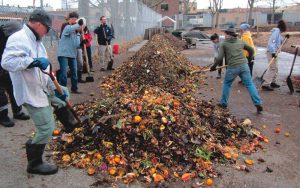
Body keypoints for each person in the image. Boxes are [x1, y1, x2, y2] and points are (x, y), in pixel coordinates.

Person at [1, 9, 69, 175]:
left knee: (63, 96)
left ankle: (71, 123)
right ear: (38, 24)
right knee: (46, 128)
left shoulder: (36, 40)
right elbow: (7, 62)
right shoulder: (18, 38)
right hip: (29, 91)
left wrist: (56, 86)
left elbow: (45, 67)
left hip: (41, 86)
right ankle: (34, 162)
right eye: (47, 28)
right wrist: (31, 62)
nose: (46, 33)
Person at [210, 28, 263, 114]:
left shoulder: (224, 44)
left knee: (227, 84)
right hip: (244, 66)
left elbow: (219, 58)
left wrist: (214, 66)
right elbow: (251, 49)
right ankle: (258, 103)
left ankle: (223, 103)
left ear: (228, 35)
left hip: (233, 67)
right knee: (249, 84)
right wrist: (249, 58)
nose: (224, 35)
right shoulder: (240, 41)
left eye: (225, 34)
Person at [0, 21, 30, 127]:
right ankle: (3, 116)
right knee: (1, 95)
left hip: (7, 69)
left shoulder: (11, 40)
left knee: (14, 90)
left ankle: (17, 112)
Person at [57, 11, 84, 93]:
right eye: (74, 19)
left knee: (74, 73)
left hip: (72, 54)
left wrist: (82, 42)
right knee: (64, 74)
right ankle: (63, 91)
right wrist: (79, 24)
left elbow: (76, 44)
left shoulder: (75, 32)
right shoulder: (66, 27)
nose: (75, 21)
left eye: (76, 19)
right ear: (70, 19)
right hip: (63, 54)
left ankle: (74, 88)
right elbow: (71, 28)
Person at [262, 20, 288, 91]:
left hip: (275, 52)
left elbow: (280, 43)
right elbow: (272, 43)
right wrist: (273, 52)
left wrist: (286, 39)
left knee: (275, 68)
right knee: (273, 68)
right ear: (283, 27)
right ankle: (266, 84)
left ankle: (272, 82)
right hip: (271, 52)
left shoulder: (279, 33)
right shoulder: (276, 32)